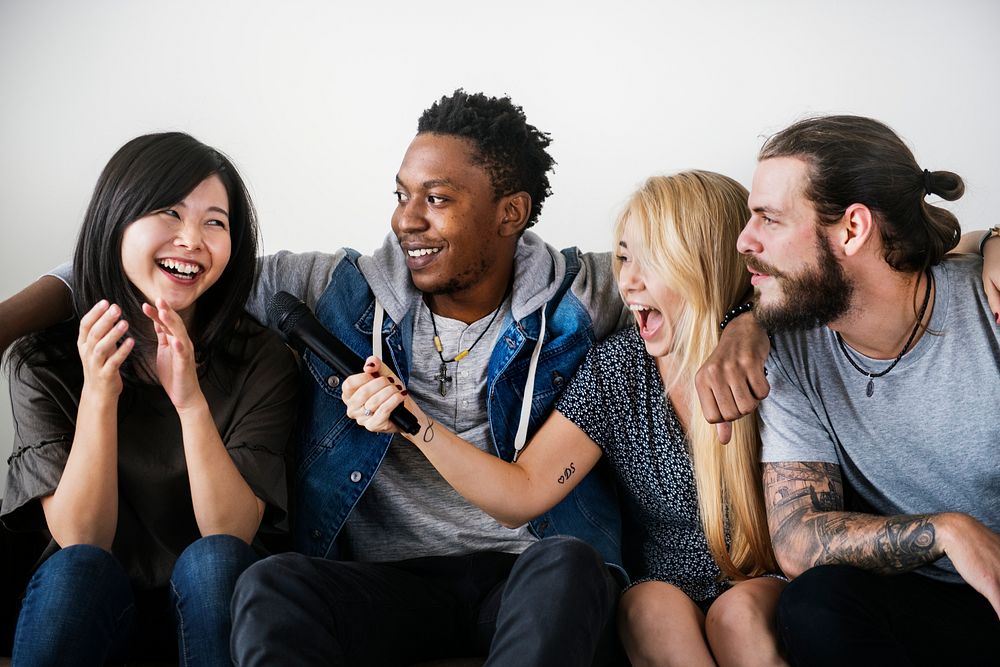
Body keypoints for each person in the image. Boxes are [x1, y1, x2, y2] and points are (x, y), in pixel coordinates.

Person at [346, 171, 788, 667]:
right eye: (623, 257)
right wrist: (415, 423)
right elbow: (523, 493)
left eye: (653, 260)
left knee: (739, 616)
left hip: (761, 582)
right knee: (648, 608)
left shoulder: (777, 359)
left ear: (706, 265)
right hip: (663, 587)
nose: (629, 281)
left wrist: (750, 319)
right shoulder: (618, 369)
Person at [1, 132, 299, 666]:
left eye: (215, 221)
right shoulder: (42, 363)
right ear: (116, 220)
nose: (193, 239)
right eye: (170, 212)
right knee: (76, 569)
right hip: (94, 609)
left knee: (213, 561)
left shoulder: (264, 360)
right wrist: (98, 393)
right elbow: (81, 537)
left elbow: (230, 535)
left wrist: (190, 403)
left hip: (214, 612)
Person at [735, 115, 1000, 665]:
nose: (746, 240)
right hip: (928, 604)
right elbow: (797, 538)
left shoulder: (989, 306)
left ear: (853, 229)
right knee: (814, 604)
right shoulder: (788, 349)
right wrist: (947, 531)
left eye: (769, 219)